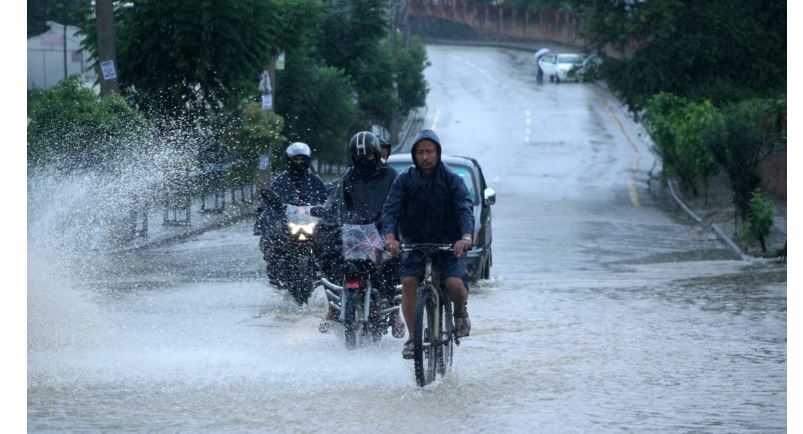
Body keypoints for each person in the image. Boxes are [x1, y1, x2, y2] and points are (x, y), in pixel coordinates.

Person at [382, 129, 475, 359]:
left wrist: (465, 237)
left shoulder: (453, 180)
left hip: (449, 245)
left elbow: (465, 207)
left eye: (430, 151)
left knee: (454, 283)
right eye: (421, 152)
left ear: (438, 153)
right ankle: (413, 338)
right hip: (414, 243)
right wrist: (390, 238)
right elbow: (391, 210)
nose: (425, 157)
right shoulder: (404, 180)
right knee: (409, 282)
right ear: (415, 155)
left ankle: (460, 313)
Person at [315, 131, 405, 337]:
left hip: (383, 232)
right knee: (327, 251)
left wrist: (392, 230)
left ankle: (394, 312)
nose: (363, 160)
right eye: (358, 156)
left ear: (376, 154)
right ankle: (334, 306)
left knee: (395, 260)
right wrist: (328, 218)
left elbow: (400, 204)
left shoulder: (391, 176)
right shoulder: (348, 177)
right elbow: (337, 203)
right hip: (354, 233)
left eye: (368, 156)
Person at [257, 142, 328, 287]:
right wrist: (273, 214)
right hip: (287, 225)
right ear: (289, 160)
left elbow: (326, 202)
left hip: (311, 224)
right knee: (273, 242)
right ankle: (277, 272)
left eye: (302, 159)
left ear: (308, 160)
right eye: (296, 159)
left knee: (329, 245)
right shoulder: (280, 181)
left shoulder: (316, 181)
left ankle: (327, 274)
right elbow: (269, 207)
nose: (299, 162)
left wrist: (325, 212)